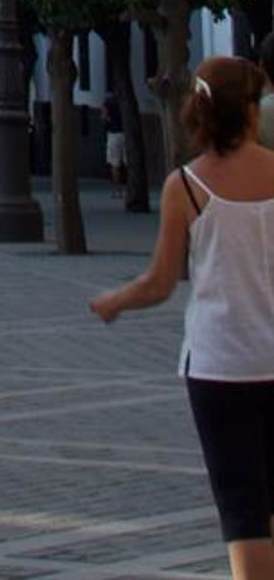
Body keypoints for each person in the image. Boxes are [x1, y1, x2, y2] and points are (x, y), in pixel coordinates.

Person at [90, 55, 274, 580]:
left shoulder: (185, 186)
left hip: (219, 366)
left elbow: (161, 282)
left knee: (242, 509)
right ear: (252, 111)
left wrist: (115, 301)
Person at [104, 91, 129, 193]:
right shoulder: (125, 100)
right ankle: (128, 188)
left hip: (113, 133)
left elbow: (104, 116)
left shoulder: (108, 101)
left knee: (114, 164)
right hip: (126, 133)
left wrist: (108, 120)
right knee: (128, 163)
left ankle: (117, 189)